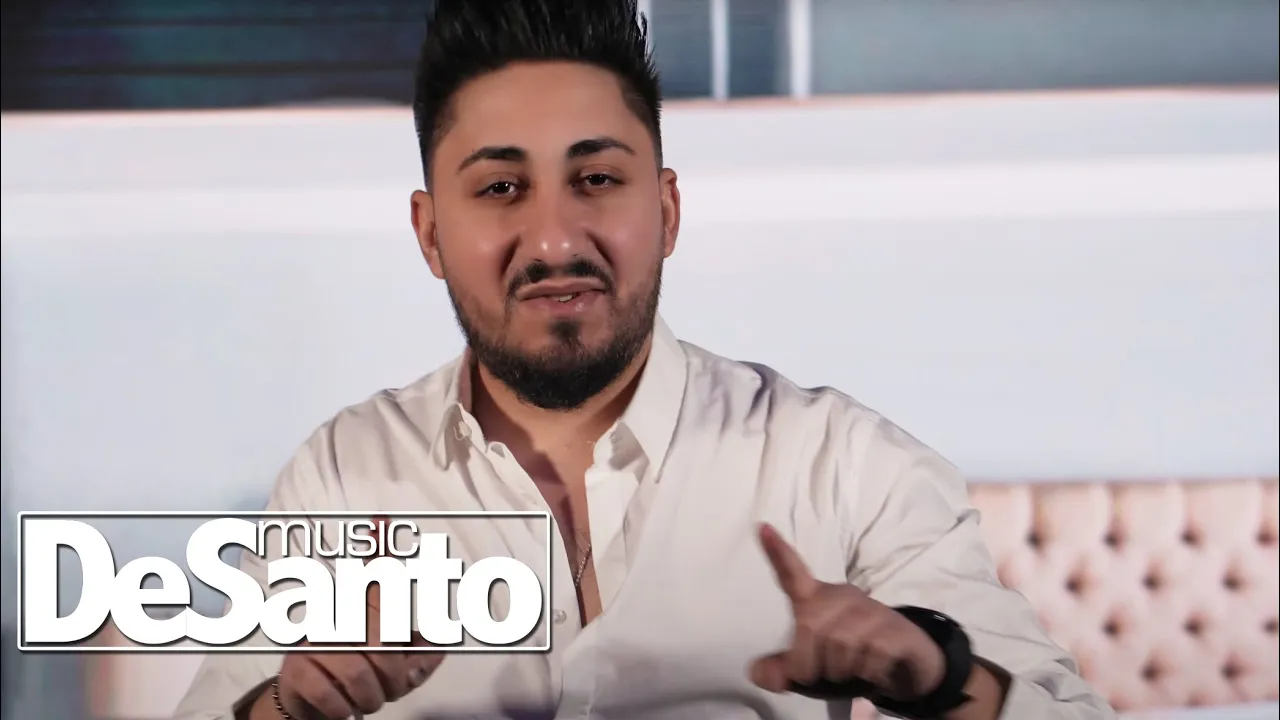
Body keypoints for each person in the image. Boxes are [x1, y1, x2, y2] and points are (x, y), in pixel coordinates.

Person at [174, 1, 1116, 718]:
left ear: (664, 212)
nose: (554, 239)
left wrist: (940, 675)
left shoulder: (838, 462)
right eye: (500, 188)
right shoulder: (345, 476)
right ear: (430, 234)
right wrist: (288, 707)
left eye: (596, 178)